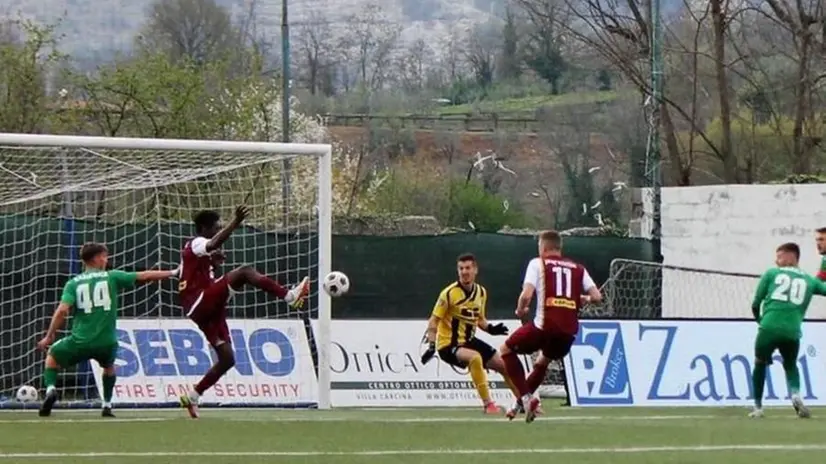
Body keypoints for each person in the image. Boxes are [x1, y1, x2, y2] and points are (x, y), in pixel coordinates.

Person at [178, 206, 310, 419]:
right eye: (216, 227)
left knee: (228, 358)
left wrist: (213, 260)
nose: (219, 229)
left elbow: (203, 260)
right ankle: (290, 297)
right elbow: (212, 243)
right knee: (245, 272)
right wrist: (235, 222)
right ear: (204, 228)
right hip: (200, 302)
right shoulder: (197, 242)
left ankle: (194, 395)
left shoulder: (197, 252)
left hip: (207, 309)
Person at [36, 242, 179, 417]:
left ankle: (51, 389)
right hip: (106, 342)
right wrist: (173, 272)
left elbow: (62, 310)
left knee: (52, 356)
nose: (107, 259)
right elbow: (145, 275)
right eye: (104, 256)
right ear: (96, 258)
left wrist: (49, 336)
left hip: (80, 340)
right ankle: (107, 404)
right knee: (109, 367)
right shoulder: (112, 277)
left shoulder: (72, 284)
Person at [499, 230, 602, 423]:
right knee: (542, 361)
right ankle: (518, 405)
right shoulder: (578, 268)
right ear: (559, 247)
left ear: (543, 247)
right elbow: (597, 297)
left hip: (545, 327)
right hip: (569, 333)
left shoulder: (537, 263)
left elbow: (527, 294)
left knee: (506, 350)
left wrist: (521, 310)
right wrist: (582, 298)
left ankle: (526, 397)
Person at [420, 253, 518, 414]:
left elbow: (479, 320)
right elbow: (433, 321)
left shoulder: (481, 292)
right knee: (475, 357)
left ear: (475, 270)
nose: (464, 272)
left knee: (504, 366)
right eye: (461, 268)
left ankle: (522, 402)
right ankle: (488, 405)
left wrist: (492, 329)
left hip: (469, 340)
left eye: (468, 268)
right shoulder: (449, 293)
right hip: (448, 345)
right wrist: (431, 346)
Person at [749, 242, 826, 419]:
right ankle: (795, 394)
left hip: (768, 327)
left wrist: (760, 321)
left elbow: (755, 304)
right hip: (792, 331)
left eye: (779, 256)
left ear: (791, 257)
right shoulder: (809, 280)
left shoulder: (771, 273)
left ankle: (758, 407)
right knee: (790, 364)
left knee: (760, 363)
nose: (776, 261)